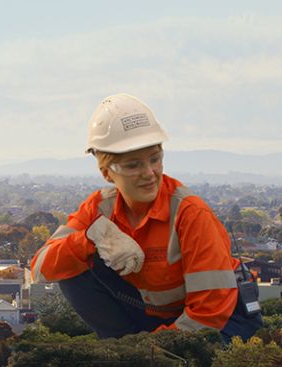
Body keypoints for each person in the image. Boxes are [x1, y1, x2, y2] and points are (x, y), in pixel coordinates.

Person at [31, 93, 262, 341]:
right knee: (71, 267)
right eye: (133, 165)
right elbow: (41, 268)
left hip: (222, 320)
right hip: (154, 315)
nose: (149, 173)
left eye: (155, 159)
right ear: (107, 173)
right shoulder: (99, 209)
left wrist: (147, 349)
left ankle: (132, 355)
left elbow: (209, 314)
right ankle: (121, 348)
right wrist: (89, 240)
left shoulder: (191, 214)